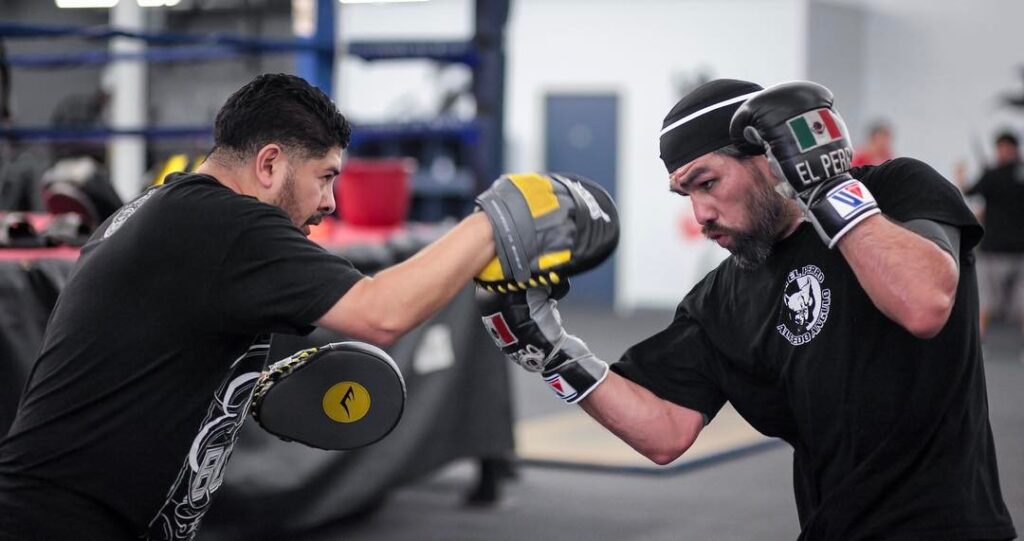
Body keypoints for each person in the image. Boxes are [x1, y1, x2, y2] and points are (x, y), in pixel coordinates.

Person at [0, 73, 608, 541]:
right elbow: (381, 313)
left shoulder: (163, 212)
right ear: (269, 164)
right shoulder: (227, 224)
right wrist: (496, 221)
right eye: (324, 177)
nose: (331, 202)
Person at [477, 79, 1017, 539]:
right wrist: (552, 353)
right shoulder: (720, 298)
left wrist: (827, 186)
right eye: (685, 194)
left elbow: (924, 303)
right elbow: (665, 431)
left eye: (708, 183)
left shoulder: (894, 191)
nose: (701, 213)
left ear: (769, 157)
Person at [960, 131, 1024, 337]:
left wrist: (961, 175)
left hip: (1014, 250)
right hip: (994, 248)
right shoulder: (993, 174)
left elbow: (968, 191)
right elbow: (972, 193)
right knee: (986, 301)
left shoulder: (992, 174)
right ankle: (979, 341)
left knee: (1018, 305)